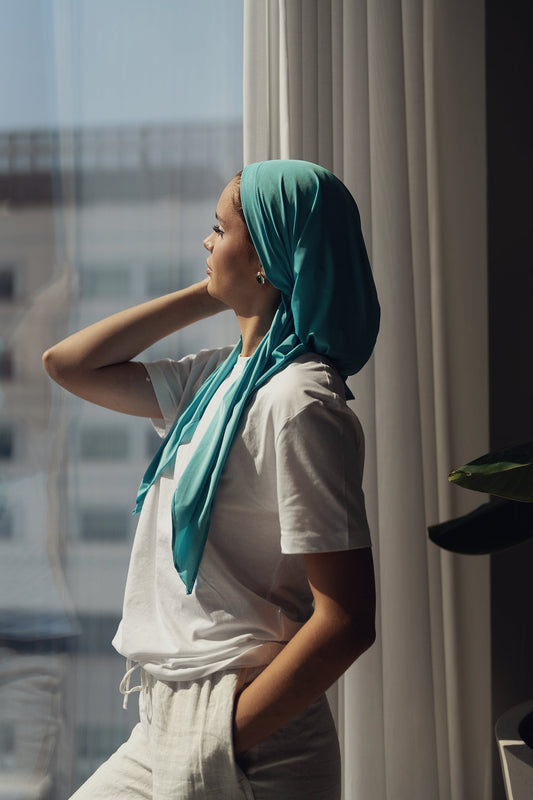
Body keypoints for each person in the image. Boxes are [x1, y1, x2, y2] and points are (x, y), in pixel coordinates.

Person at [42, 159, 380, 800]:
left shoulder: (298, 402)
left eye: (219, 229)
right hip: (162, 721)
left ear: (267, 258)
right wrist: (216, 291)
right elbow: (70, 365)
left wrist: (228, 733)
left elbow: (347, 619)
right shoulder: (215, 380)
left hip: (252, 734)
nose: (206, 242)